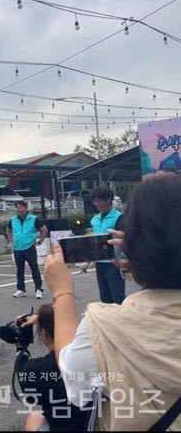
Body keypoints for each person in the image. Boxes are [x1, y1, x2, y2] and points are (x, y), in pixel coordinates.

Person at [45, 172, 181, 431]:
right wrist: (147, 262)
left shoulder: (102, 325)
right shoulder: (97, 219)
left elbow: (76, 387)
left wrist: (62, 292)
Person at [15, 305, 91, 431]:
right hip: (97, 425)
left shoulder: (39, 369)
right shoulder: (91, 356)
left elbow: (30, 396)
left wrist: (20, 347)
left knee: (34, 418)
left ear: (44, 334)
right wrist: (43, 318)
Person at [81, 186, 125, 304]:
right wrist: (88, 260)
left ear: (109, 200)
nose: (97, 203)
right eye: (95, 201)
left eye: (100, 200)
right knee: (105, 297)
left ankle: (120, 321)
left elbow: (125, 239)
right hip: (100, 263)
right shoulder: (95, 220)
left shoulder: (119, 217)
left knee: (118, 298)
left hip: (114, 263)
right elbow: (93, 242)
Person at [6, 200, 48, 299]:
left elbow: (44, 229)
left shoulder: (33, 219)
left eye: (21, 207)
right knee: (19, 270)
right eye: (17, 207)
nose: (19, 209)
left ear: (26, 208)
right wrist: (12, 241)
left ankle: (38, 289)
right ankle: (21, 290)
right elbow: (8, 230)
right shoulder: (13, 219)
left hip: (29, 247)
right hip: (17, 248)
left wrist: (40, 241)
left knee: (34, 269)